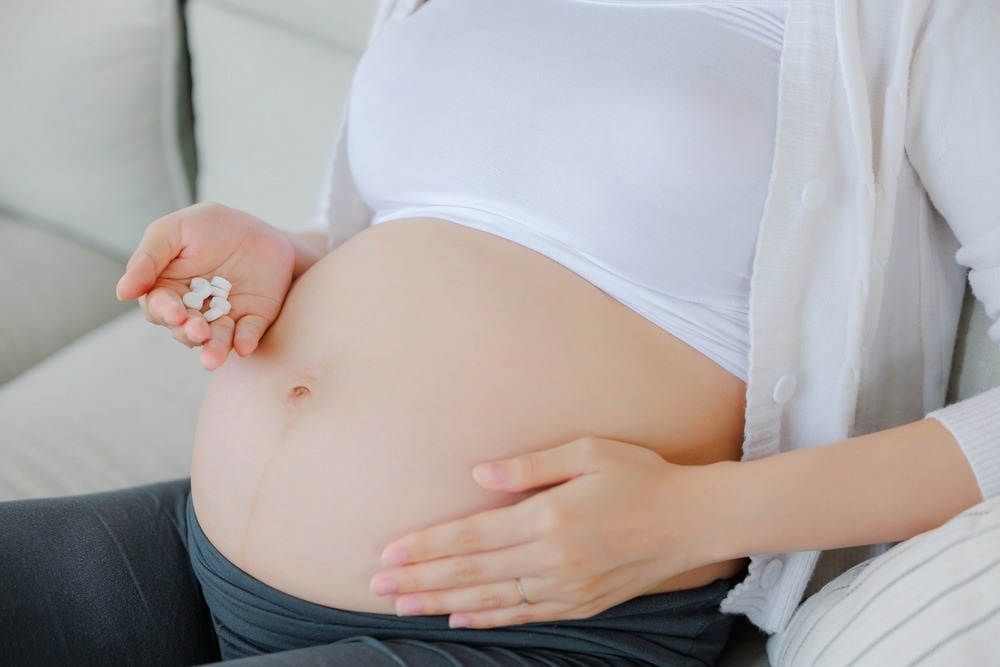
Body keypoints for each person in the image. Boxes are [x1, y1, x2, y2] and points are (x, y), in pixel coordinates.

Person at [2, 0, 999, 665]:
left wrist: (698, 515)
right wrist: (290, 254)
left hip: (526, 624)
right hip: (196, 544)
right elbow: (442, 232)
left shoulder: (912, 18)